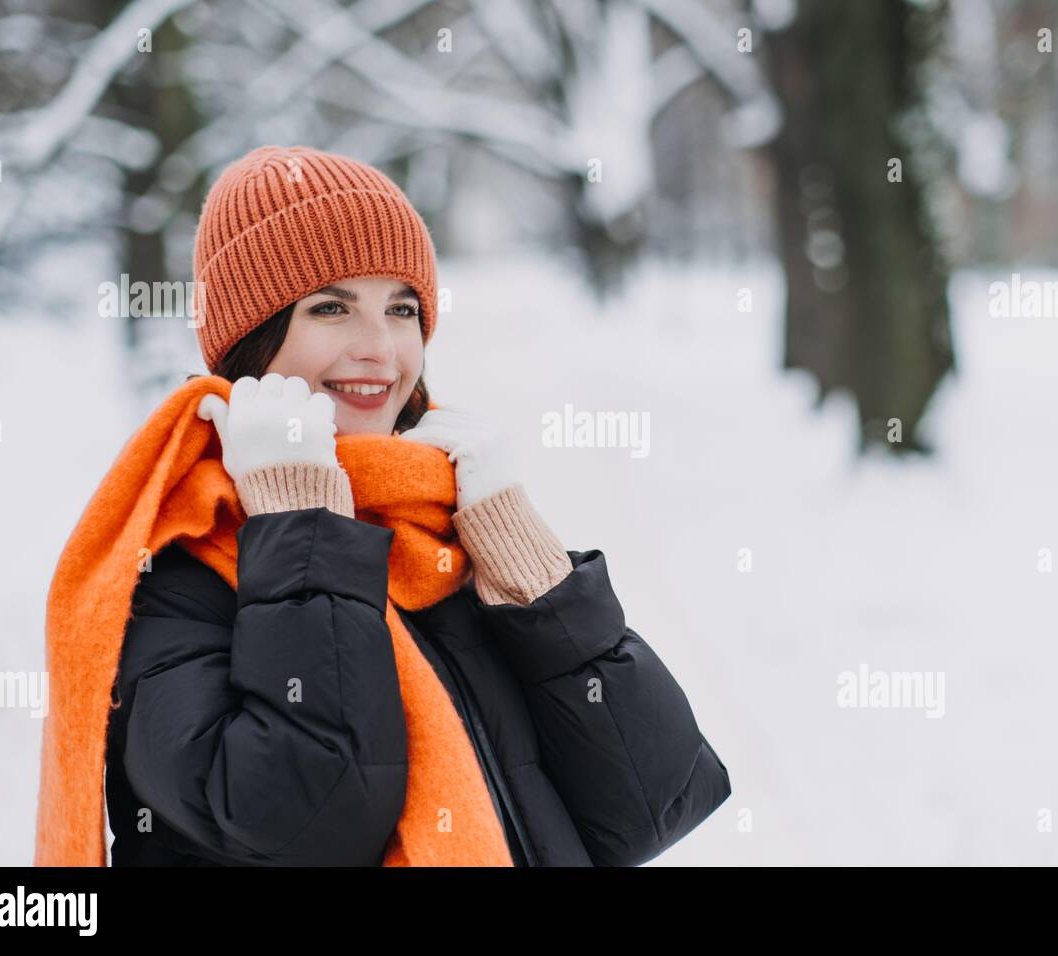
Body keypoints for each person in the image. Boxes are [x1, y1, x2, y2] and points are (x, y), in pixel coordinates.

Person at [40, 145, 730, 868]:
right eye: (331, 307)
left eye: (402, 308)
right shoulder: (176, 571)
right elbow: (306, 825)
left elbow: (652, 807)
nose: (380, 348)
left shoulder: (443, 536)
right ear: (252, 340)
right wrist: (304, 532)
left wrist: (532, 574)